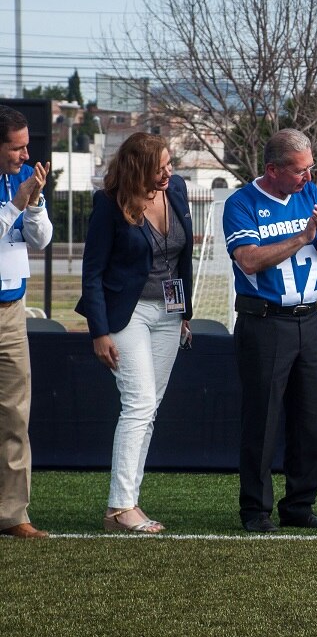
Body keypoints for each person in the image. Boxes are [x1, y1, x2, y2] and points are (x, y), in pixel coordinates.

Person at [223, 128, 317, 533]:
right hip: (265, 321)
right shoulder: (242, 202)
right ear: (272, 169)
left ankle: (300, 505)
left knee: (309, 420)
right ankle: (256, 510)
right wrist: (302, 235)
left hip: (309, 318)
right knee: (263, 419)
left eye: (311, 168)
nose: (308, 177)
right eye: (299, 170)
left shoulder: (310, 192)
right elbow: (248, 259)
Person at [76, 132, 193, 533]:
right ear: (137, 169)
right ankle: (120, 508)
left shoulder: (176, 189)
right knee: (139, 404)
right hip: (127, 314)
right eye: (159, 168)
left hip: (170, 313)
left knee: (149, 409)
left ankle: (128, 502)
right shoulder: (108, 204)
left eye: (169, 164)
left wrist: (185, 313)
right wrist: (99, 331)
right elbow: (92, 272)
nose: (168, 173)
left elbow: (182, 258)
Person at [0, 106, 52, 539]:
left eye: (26, 145)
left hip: (12, 310)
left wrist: (33, 206)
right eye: (16, 147)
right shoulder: (15, 188)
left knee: (15, 415)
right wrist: (17, 203)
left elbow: (41, 239)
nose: (25, 155)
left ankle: (12, 513)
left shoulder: (23, 180)